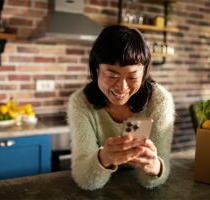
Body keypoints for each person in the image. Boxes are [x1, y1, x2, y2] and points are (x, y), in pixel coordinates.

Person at [67, 25, 175, 190]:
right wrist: (104, 158)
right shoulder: (81, 103)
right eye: (112, 76)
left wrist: (155, 167)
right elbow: (86, 180)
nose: (122, 87)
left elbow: (154, 178)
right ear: (96, 70)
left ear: (144, 72)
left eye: (132, 76)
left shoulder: (159, 101)